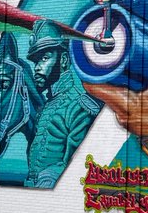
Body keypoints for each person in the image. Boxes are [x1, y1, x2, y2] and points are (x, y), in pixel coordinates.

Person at [24, 20, 100, 188]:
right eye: (35, 61)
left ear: (64, 60)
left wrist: (50, 179)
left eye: (44, 58)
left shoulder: (79, 106)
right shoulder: (48, 105)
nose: (37, 67)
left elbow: (79, 165)